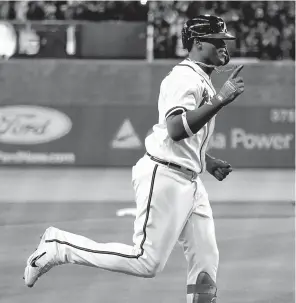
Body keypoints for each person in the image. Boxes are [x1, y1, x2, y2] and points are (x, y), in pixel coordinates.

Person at [24, 15, 244, 303]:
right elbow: (177, 129)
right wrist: (220, 100)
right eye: (218, 41)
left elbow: (179, 135)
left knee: (206, 262)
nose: (225, 46)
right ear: (199, 43)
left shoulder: (201, 78)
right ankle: (59, 246)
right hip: (165, 177)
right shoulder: (183, 78)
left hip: (189, 180)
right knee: (147, 261)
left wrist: (207, 160)